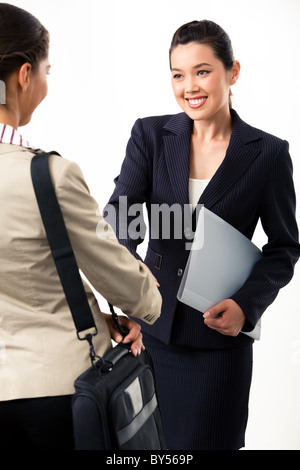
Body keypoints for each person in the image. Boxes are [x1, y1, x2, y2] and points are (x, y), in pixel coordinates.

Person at [105, 20, 300, 450]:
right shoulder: (151, 135)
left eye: (202, 71)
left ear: (232, 72)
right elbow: (122, 213)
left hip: (219, 344)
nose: (189, 86)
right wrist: (129, 269)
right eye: (178, 74)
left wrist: (247, 306)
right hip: (149, 335)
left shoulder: (268, 153)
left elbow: (284, 247)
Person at [0, 3, 161, 450]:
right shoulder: (48, 175)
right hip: (59, 396)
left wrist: (87, 314)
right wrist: (145, 296)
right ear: (24, 75)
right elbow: (129, 286)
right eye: (46, 71)